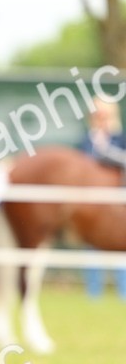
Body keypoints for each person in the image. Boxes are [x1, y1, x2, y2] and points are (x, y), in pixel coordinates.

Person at [80, 97, 126, 298]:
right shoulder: (84, 141)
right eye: (97, 114)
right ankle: (93, 293)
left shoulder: (121, 139)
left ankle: (123, 293)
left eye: (104, 114)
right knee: (92, 248)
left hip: (118, 206)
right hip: (93, 206)